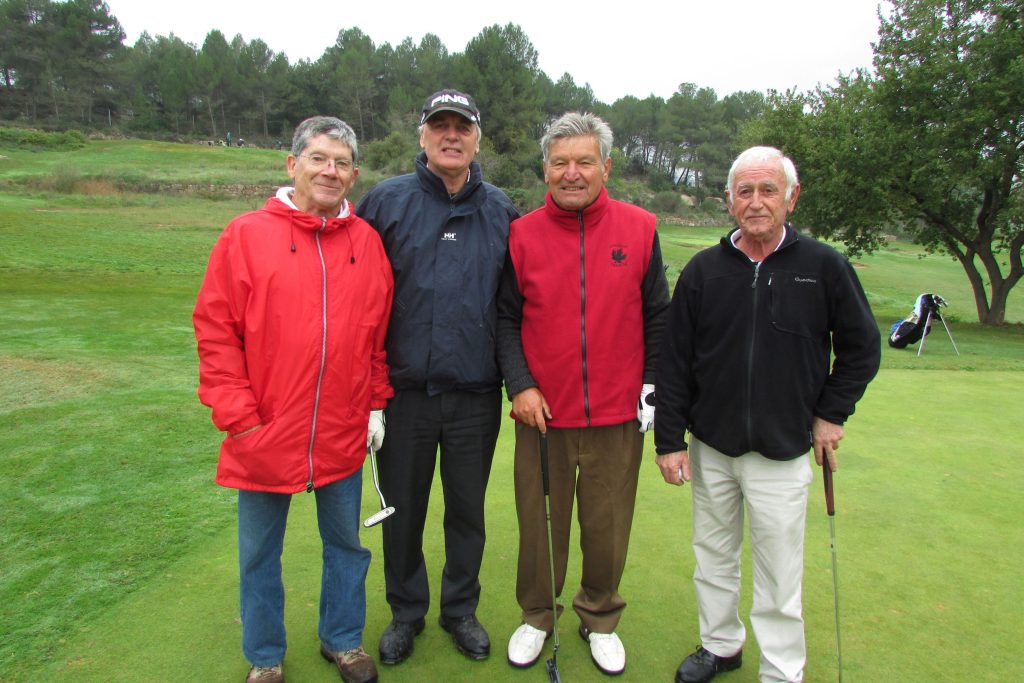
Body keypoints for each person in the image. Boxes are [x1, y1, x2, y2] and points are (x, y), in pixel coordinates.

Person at [654, 146, 880, 683]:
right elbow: (675, 361)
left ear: (791, 198)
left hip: (783, 447)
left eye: (768, 190)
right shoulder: (704, 271)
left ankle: (781, 670)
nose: (756, 202)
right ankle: (721, 646)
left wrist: (831, 413)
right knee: (713, 555)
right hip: (712, 445)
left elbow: (862, 348)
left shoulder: (823, 267)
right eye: (745, 192)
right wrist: (669, 441)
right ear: (729, 200)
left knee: (779, 569)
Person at [193, 116, 393, 683]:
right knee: (259, 553)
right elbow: (216, 332)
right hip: (264, 430)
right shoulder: (245, 235)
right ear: (293, 164)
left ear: (353, 174)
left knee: (346, 546)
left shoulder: (366, 243)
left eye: (341, 163)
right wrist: (239, 418)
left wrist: (374, 405)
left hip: (340, 428)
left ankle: (343, 640)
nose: (330, 171)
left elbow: (377, 336)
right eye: (318, 158)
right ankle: (264, 657)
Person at [497, 111, 670, 676]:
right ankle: (536, 616)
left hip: (617, 415)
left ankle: (599, 617)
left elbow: (658, 315)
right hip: (542, 415)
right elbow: (505, 319)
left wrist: (651, 384)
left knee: (607, 527)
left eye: (584, 162)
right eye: (560, 162)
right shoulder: (521, 234)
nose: (572, 173)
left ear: (606, 168)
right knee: (538, 525)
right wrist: (520, 385)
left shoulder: (640, 228)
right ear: (545, 169)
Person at [356, 89, 519, 666]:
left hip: (475, 394)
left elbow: (514, 306)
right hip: (403, 397)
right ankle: (406, 612)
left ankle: (459, 610)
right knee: (402, 511)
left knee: (467, 511)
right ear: (422, 135)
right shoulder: (386, 202)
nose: (451, 135)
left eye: (462, 127)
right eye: (440, 125)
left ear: (477, 138)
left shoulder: (501, 210)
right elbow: (358, 298)